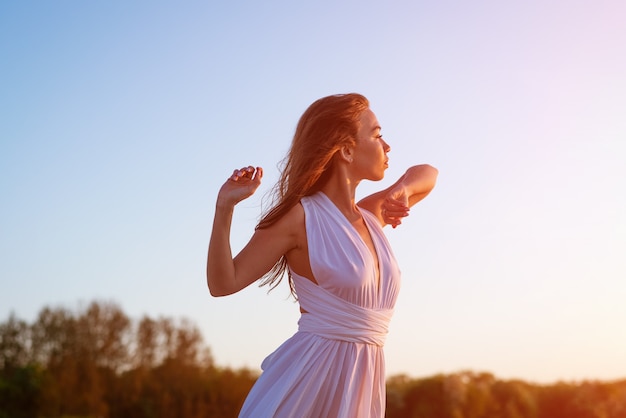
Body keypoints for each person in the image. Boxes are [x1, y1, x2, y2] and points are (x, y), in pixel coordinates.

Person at [206, 93, 438, 417]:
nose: (387, 146)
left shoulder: (371, 215)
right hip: (305, 389)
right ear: (345, 149)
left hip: (362, 386)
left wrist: (401, 190)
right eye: (376, 134)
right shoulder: (301, 219)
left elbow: (428, 174)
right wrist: (224, 207)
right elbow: (223, 283)